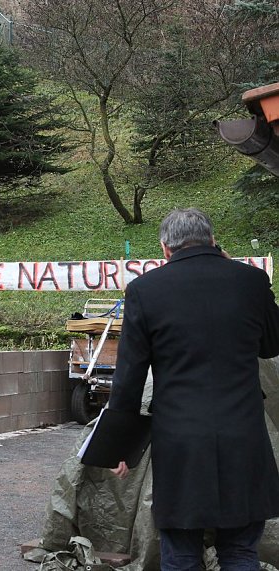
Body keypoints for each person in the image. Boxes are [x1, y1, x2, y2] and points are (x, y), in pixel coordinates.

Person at [108, 207, 279, 570]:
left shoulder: (144, 290)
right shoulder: (251, 280)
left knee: (182, 552)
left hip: (180, 441)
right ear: (213, 240)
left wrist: (118, 445)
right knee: (240, 551)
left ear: (164, 249)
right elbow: (271, 344)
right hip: (243, 435)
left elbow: (129, 375)